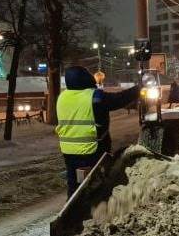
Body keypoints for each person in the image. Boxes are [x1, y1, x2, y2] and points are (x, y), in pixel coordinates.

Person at [56, 65, 139, 199]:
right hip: (92, 149)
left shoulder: (62, 97)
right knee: (98, 183)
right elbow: (120, 99)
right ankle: (95, 209)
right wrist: (139, 89)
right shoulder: (95, 96)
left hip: (68, 150)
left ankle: (71, 211)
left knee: (74, 185)